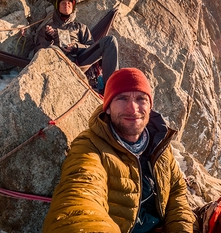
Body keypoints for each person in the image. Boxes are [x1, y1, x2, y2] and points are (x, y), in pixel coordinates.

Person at [42, 68, 196, 233]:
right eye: (122, 98)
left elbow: (176, 191)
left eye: (140, 98)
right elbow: (80, 196)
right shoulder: (90, 146)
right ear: (107, 108)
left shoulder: (158, 143)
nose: (133, 108)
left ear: (150, 106)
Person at [34, 0, 119, 90]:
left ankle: (113, 88)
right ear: (57, 7)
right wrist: (48, 39)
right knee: (54, 47)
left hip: (79, 61)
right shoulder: (47, 28)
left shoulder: (80, 27)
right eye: (63, 3)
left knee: (110, 40)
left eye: (69, 3)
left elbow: (90, 46)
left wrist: (76, 47)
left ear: (72, 9)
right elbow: (37, 53)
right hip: (56, 62)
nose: (66, 4)